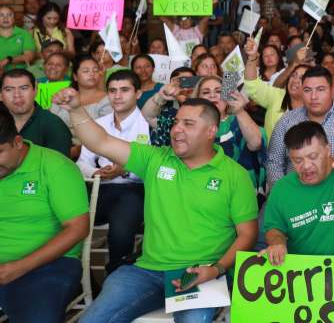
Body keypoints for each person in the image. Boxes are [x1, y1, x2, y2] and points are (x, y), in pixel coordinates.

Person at [58, 90, 257, 323]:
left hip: (201, 272)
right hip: (146, 271)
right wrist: (75, 110)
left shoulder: (235, 175)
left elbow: (248, 234)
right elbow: (100, 142)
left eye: (188, 124)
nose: (177, 129)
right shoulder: (155, 159)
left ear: (211, 131)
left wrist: (216, 269)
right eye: (176, 122)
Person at [0, 103, 89, 323]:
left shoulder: (54, 166)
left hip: (47, 264)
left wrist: (19, 267)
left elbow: (78, 228)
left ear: (17, 142)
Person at [261, 121, 334, 264]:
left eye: (313, 157)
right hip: (302, 271)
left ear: (328, 150)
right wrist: (277, 243)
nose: (306, 166)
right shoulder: (282, 189)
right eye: (297, 160)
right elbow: (274, 227)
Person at [75, 70, 147, 273]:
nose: (117, 96)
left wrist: (125, 171)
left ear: (138, 93)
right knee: (66, 219)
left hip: (134, 189)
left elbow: (155, 167)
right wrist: (95, 172)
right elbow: (81, 162)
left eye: (124, 90)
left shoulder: (147, 124)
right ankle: (80, 278)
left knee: (121, 231)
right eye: (112, 91)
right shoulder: (99, 124)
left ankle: (116, 275)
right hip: (100, 188)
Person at [267, 66, 334, 190]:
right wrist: (283, 194)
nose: (313, 97)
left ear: (332, 90)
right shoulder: (287, 121)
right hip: (294, 194)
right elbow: (274, 163)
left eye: (320, 89)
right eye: (307, 90)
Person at [192, 76, 265, 189]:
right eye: (206, 92)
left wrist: (239, 111)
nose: (212, 95)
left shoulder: (240, 120)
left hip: (239, 187)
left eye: (219, 91)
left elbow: (256, 143)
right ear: (197, 99)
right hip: (200, 187)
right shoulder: (189, 124)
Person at [243, 39, 309, 138]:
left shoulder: (314, 106)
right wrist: (252, 57)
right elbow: (252, 85)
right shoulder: (277, 96)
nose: (295, 80)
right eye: (293, 75)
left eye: (301, 78)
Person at [2, 68, 72, 157]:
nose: (17, 95)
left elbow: (59, 163)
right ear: (0, 95)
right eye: (9, 89)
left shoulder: (54, 124)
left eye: (24, 88)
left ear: (35, 90)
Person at [140, 67, 196, 148]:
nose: (186, 88)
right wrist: (162, 94)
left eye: (190, 82)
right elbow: (147, 115)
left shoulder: (206, 108)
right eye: (181, 82)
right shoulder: (167, 112)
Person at [0, 5, 36, 71]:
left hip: (19, 72)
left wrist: (9, 59)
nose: (5, 18)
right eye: (1, 15)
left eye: (9, 15)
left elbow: (29, 56)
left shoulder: (24, 34)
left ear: (14, 18)